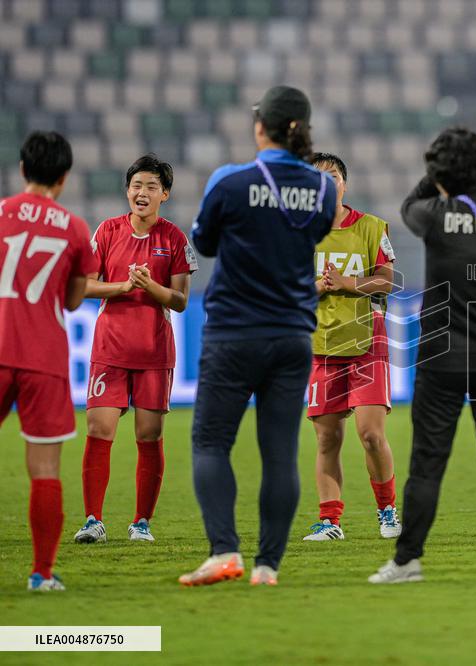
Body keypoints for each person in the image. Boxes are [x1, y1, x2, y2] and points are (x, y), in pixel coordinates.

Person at [179, 86, 336, 586]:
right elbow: (312, 234)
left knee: (210, 441)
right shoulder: (324, 188)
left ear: (259, 126)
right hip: (293, 332)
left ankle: (225, 551)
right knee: (280, 451)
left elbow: (202, 241)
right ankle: (268, 566)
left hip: (233, 332)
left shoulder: (229, 180)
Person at [369, 127, 476, 584]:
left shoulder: (435, 214)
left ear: (441, 173)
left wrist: (436, 177)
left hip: (441, 360)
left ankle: (407, 563)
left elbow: (407, 206)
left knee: (427, 462)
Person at [73, 154, 195, 545]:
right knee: (98, 428)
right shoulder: (106, 232)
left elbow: (180, 300)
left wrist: (149, 287)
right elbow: (85, 286)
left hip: (155, 353)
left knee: (149, 434)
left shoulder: (175, 238)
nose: (142, 193)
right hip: (110, 348)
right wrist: (123, 287)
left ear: (166, 194)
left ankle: (141, 522)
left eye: (151, 187)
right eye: (136, 185)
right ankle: (93, 519)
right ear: (127, 191)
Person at [0, 131, 98, 590]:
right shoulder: (75, 228)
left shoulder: (0, 214)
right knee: (45, 470)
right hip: (44, 355)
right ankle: (41, 574)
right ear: (63, 178)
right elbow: (76, 300)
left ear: (22, 170)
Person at [301, 152, 400, 542]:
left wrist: (347, 283)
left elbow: (388, 281)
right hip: (320, 343)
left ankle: (388, 511)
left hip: (365, 341)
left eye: (333, 177)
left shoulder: (373, 228)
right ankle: (330, 521)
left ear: (345, 184)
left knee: (371, 434)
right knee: (327, 438)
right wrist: (319, 286)